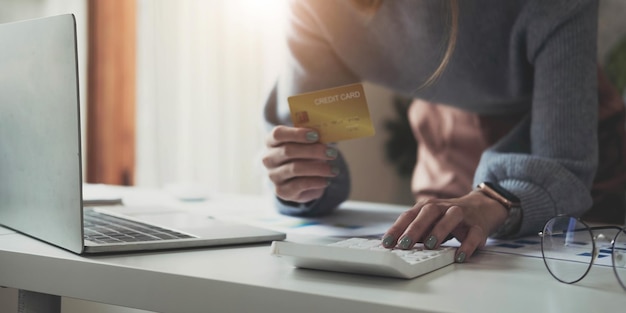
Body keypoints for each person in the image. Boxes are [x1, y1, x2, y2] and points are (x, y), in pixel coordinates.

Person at [262, 0, 626, 263]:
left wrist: (496, 201)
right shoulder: (320, 8)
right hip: (449, 154)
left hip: (583, 163)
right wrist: (303, 180)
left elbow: (563, 162)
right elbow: (319, 160)